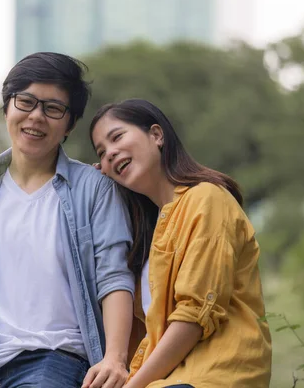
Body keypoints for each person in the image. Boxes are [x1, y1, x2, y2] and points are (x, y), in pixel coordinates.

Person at [0, 53, 135, 388]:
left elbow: (114, 278)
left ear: (70, 124)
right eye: (26, 102)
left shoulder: (93, 189)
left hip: (54, 359)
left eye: (53, 108)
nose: (36, 116)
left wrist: (115, 359)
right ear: (7, 107)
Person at [90, 99, 272, 388]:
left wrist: (133, 386)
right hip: (167, 379)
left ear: (156, 135)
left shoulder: (206, 199)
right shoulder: (147, 233)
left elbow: (194, 317)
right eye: (102, 152)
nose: (110, 153)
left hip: (214, 376)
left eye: (117, 137)